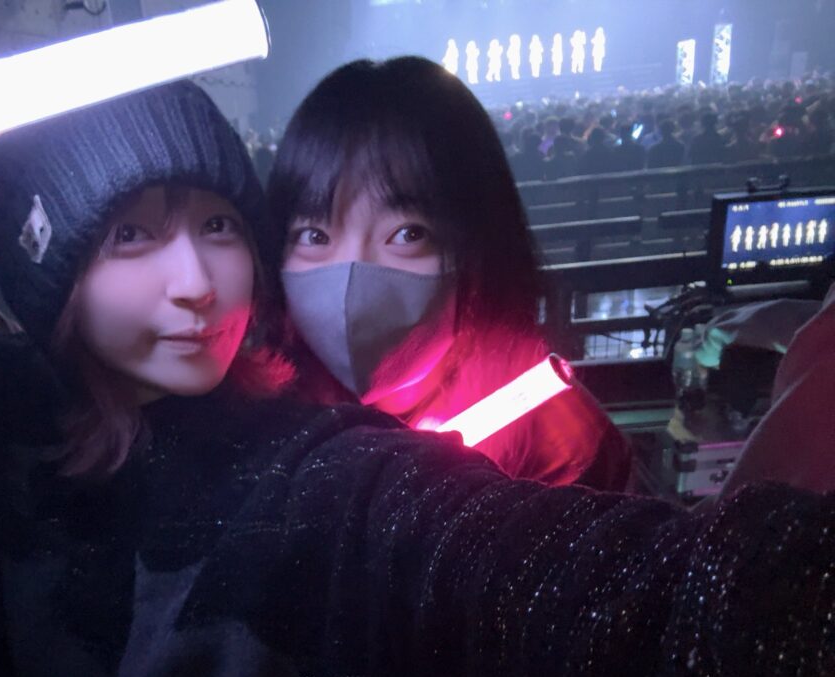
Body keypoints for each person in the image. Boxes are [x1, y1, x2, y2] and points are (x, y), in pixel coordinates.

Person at [0, 52, 835, 677]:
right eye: (130, 235)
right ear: (49, 281)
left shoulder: (319, 475)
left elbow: (557, 580)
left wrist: (768, 609)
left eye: (219, 224)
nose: (196, 282)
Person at [268, 57, 630, 489]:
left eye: (408, 234)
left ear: (479, 239)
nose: (349, 284)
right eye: (314, 236)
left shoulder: (560, 446)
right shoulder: (265, 424)